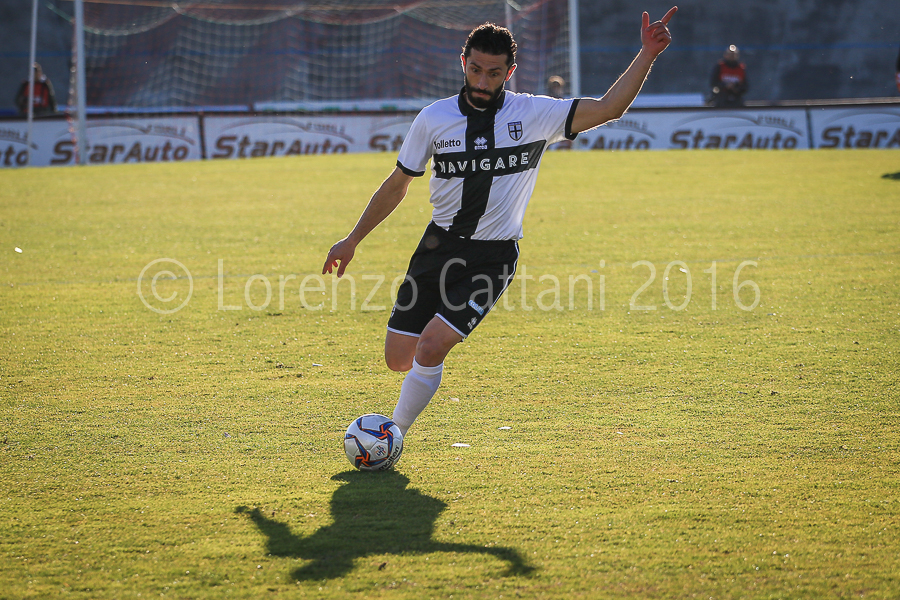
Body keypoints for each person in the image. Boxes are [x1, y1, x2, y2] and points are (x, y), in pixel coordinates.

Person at [322, 8, 677, 438]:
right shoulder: (433, 119)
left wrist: (647, 54)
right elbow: (398, 184)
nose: (482, 81)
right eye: (475, 70)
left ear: (509, 72)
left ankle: (393, 434)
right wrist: (352, 239)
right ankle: (418, 382)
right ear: (463, 63)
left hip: (493, 258)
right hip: (437, 247)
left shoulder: (534, 114)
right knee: (398, 358)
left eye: (493, 73)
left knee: (431, 347)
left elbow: (609, 108)